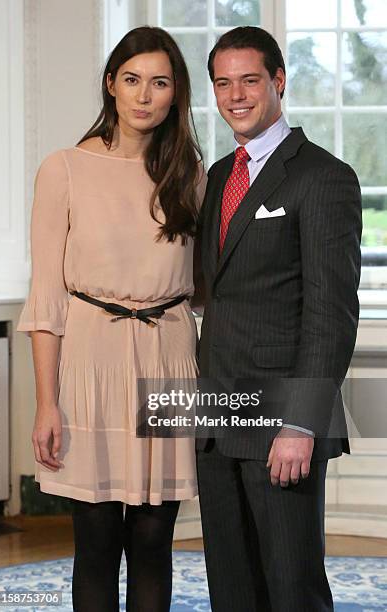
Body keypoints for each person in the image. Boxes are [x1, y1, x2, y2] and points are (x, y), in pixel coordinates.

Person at [17, 26, 206, 612]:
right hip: (92, 361)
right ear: (110, 85)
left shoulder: (189, 173)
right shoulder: (65, 170)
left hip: (169, 362)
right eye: (132, 80)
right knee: (96, 543)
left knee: (153, 540)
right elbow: (46, 297)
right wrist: (47, 402)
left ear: (176, 94)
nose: (144, 95)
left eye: (159, 82)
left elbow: (207, 291)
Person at [196, 26, 362, 611]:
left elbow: (331, 313)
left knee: (292, 590)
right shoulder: (219, 176)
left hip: (281, 423)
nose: (235, 95)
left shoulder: (324, 176)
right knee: (232, 590)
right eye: (223, 83)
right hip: (217, 418)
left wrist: (300, 424)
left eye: (249, 80)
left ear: (279, 81)